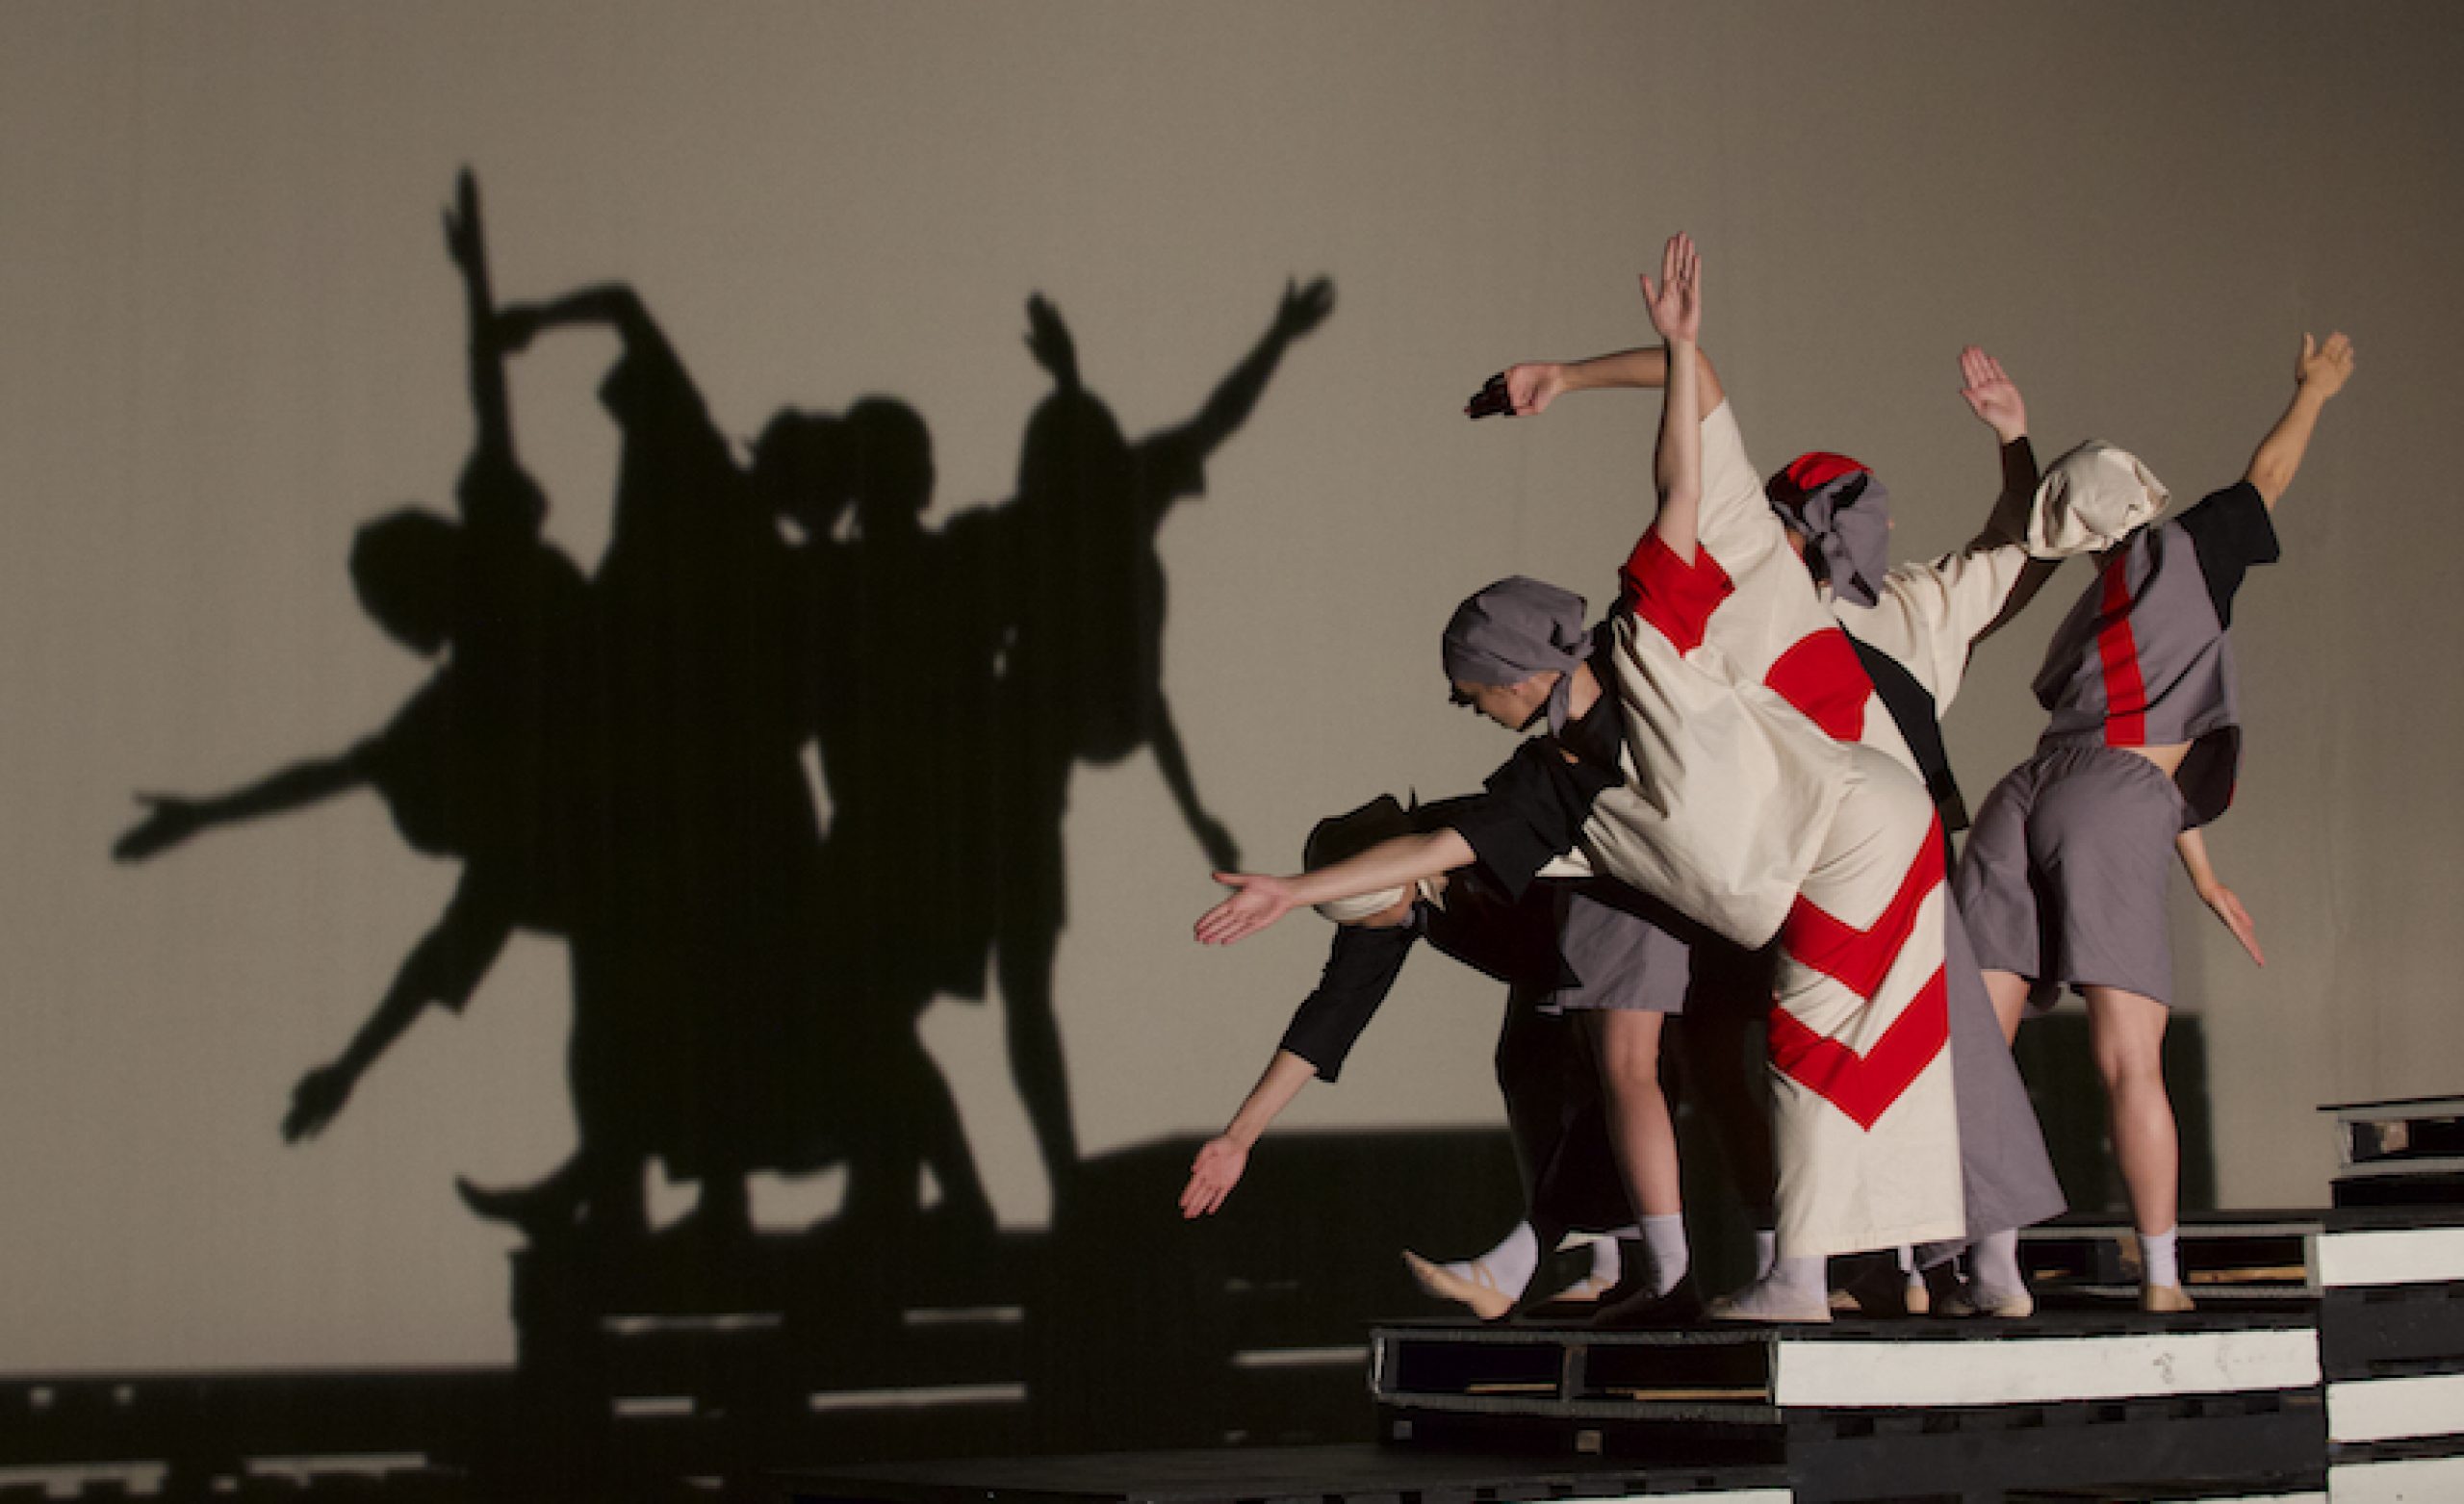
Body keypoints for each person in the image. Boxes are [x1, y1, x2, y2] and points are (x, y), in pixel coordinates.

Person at [1202, 236, 1976, 1321]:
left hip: (1853, 832)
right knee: (1839, 1061)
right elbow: (1438, 847)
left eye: (1470, 694)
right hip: (1804, 867)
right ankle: (1894, 1270)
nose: (1470, 713)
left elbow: (1680, 473)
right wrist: (1291, 893)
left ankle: (1803, 1278)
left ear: (1517, 676)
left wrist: (1648, 356)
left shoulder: (1646, 642)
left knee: (1798, 1052)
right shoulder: (1555, 782)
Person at [1464, 345, 2070, 1318]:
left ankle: (1895, 1267)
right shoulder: (1792, 601)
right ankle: (1878, 1265)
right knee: (1786, 1059)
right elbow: (2021, 549)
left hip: (1845, 870)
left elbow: (2019, 551)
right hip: (1777, 870)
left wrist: (2013, 441)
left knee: (1836, 1058)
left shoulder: (1872, 608)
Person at [1953, 333, 2355, 1312]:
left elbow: (2107, 758)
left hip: (2026, 788)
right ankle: (2162, 1279)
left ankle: (1988, 1262)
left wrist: (2204, 873)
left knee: (1971, 1049)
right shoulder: (2188, 550)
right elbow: (2269, 472)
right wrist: (2311, 393)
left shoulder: (2092, 598)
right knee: (2129, 1059)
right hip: (2112, 796)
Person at [1180, 794, 1644, 1318]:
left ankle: (1532, 1266)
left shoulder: (1466, 837)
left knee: (1594, 1076)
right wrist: (1239, 1136)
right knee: (1526, 1069)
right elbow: (1332, 1014)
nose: (1368, 927)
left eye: (1367, 910)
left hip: (1627, 942)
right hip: (1557, 973)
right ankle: (1607, 1268)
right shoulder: (1393, 912)